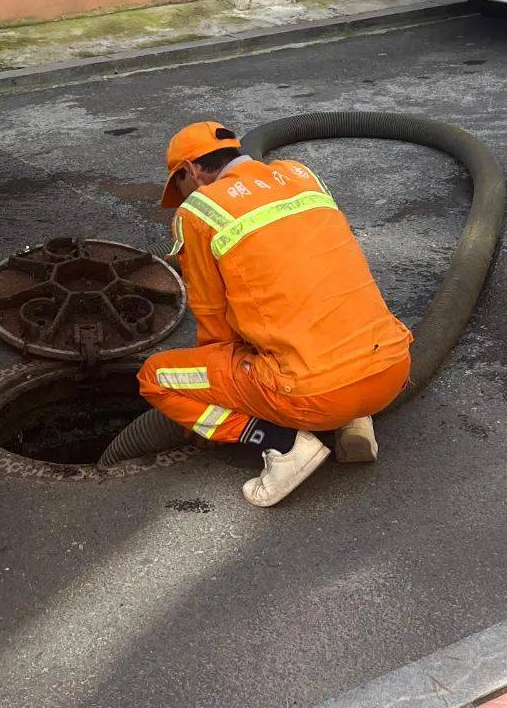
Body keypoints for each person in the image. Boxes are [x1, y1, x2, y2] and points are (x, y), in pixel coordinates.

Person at [138, 122, 412, 506]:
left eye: (177, 183)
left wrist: (218, 392)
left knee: (156, 378)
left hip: (314, 393)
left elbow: (213, 316)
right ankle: (353, 422)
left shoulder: (200, 210)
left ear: (191, 170)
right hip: (390, 369)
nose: (181, 194)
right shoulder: (301, 176)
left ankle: (283, 444)